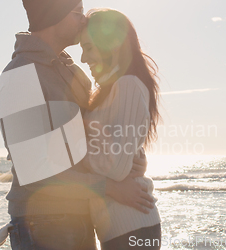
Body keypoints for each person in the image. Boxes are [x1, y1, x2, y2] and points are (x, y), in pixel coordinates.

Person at [0, 1, 154, 249]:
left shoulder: (73, 72)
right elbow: (35, 173)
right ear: (52, 15)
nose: (83, 20)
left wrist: (133, 156)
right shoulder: (20, 76)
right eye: (77, 13)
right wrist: (110, 187)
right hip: (43, 223)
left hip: (81, 217)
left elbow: (98, 134)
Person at [79, 8, 162, 249]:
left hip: (132, 226)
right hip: (121, 227)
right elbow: (120, 155)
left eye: (89, 47)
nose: (83, 58)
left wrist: (73, 157)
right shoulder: (110, 90)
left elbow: (115, 166)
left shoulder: (128, 85)